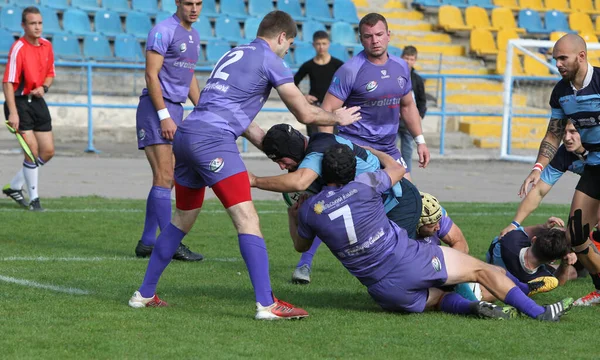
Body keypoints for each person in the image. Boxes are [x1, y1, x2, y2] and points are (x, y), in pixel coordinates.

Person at [127, 11, 362, 320]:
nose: (286, 51)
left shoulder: (234, 53)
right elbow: (305, 114)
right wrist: (337, 118)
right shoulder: (270, 59)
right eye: (289, 45)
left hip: (187, 135)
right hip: (213, 141)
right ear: (281, 37)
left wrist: (271, 148)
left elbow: (238, 117)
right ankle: (267, 304)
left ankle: (144, 294)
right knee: (247, 219)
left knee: (182, 218)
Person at [288, 143, 573, 320]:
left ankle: (471, 309)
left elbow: (301, 246)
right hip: (408, 260)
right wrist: (365, 149)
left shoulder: (311, 208)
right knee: (484, 271)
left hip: (382, 290)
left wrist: (293, 212)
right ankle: (539, 312)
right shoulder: (365, 184)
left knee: (437, 299)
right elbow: (397, 167)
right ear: (352, 171)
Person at [253, 123, 421, 284]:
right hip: (379, 206)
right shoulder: (315, 151)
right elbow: (300, 244)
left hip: (399, 202)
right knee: (388, 270)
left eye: (282, 160)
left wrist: (254, 181)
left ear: (292, 149)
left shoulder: (318, 150)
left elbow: (300, 183)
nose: (282, 167)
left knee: (402, 265)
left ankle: (437, 290)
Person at [519, 33, 600, 306]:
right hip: (594, 166)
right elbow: (553, 134)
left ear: (581, 56)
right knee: (576, 238)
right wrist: (538, 166)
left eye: (563, 58)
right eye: (555, 59)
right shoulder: (561, 92)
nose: (558, 64)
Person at [319, 13, 431, 181]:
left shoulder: (401, 67)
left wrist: (420, 141)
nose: (375, 40)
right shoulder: (350, 70)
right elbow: (326, 110)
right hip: (356, 146)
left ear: (388, 35)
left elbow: (407, 106)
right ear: (361, 39)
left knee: (409, 197)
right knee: (365, 200)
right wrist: (328, 152)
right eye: (368, 36)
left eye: (379, 34)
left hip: (389, 147)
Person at [134, 0, 204, 262]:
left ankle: (148, 241)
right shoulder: (163, 30)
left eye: (198, 3)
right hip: (156, 110)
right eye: (188, 3)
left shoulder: (193, 35)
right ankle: (169, 244)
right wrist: (164, 116)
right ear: (177, 3)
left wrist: (203, 110)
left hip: (176, 110)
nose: (194, 8)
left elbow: (189, 77)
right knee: (165, 176)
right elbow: (151, 76)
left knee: (166, 178)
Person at [2, 6, 55, 212]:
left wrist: (44, 87)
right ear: (23, 26)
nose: (37, 27)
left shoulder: (47, 45)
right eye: (33, 23)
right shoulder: (18, 48)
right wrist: (13, 112)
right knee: (32, 151)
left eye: (40, 23)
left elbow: (50, 73)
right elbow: (7, 83)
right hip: (19, 103)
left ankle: (15, 186)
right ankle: (34, 201)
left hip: (37, 101)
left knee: (48, 152)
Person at [487, 217, 578, 290]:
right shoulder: (538, 277)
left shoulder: (511, 239)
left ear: (533, 240)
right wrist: (565, 264)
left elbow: (524, 231)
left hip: (494, 261)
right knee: (573, 272)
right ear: (552, 261)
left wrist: (543, 227)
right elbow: (558, 281)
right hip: (514, 274)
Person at [293, 31, 344, 137]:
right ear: (313, 45)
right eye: (318, 44)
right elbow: (294, 82)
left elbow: (348, 83)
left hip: (333, 109)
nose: (321, 47)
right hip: (314, 108)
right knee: (314, 140)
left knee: (333, 141)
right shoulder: (308, 65)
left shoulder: (338, 65)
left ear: (329, 44)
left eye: (324, 43)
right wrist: (303, 97)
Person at [397, 46, 427, 177]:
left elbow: (422, 100)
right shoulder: (394, 75)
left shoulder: (417, 79)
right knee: (389, 149)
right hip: (393, 120)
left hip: (409, 122)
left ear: (415, 60)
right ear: (401, 58)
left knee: (407, 151)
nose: (408, 61)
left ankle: (406, 177)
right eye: (406, 58)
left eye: (411, 59)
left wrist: (419, 116)